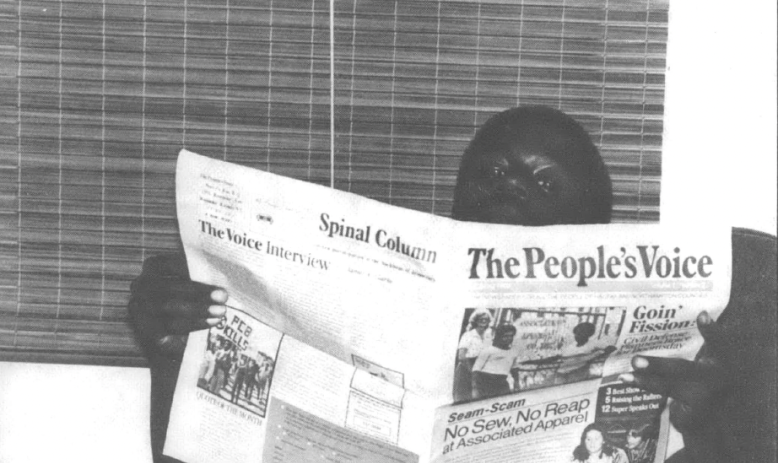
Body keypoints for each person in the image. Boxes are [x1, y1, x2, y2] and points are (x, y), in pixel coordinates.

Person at [128, 105, 777, 463]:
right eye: (490, 172)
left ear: (597, 227)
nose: (509, 185)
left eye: (544, 181)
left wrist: (714, 434)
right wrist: (171, 356)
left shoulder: (679, 359)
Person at [453, 308, 494, 403]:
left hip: (481, 371)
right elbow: (461, 356)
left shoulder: (489, 337)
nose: (483, 320)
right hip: (466, 369)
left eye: (486, 319)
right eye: (480, 318)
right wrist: (472, 371)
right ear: (475, 320)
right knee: (463, 399)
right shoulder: (468, 335)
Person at [471, 324, 518, 399]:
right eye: (505, 336)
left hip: (502, 382)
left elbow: (514, 369)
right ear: (499, 337)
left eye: (511, 336)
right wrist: (475, 388)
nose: (509, 338)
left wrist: (516, 384)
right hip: (485, 382)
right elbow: (476, 370)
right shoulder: (488, 350)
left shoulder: (513, 352)